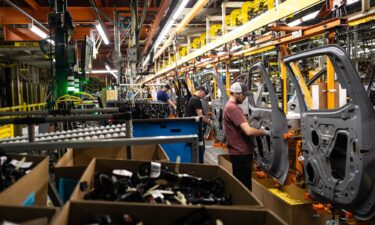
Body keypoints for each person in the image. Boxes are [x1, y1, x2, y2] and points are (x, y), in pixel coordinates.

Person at [223, 82, 269, 190]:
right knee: (245, 188)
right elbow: (248, 131)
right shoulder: (233, 108)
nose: (244, 98)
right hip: (241, 153)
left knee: (240, 186)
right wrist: (265, 132)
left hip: (237, 152)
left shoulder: (229, 106)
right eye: (244, 95)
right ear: (237, 94)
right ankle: (246, 206)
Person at [187, 86, 212, 163]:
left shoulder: (192, 99)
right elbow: (200, 116)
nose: (203, 96)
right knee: (200, 147)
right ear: (201, 91)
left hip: (193, 128)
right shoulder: (196, 100)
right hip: (197, 128)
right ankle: (200, 165)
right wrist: (210, 123)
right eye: (204, 94)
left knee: (199, 147)